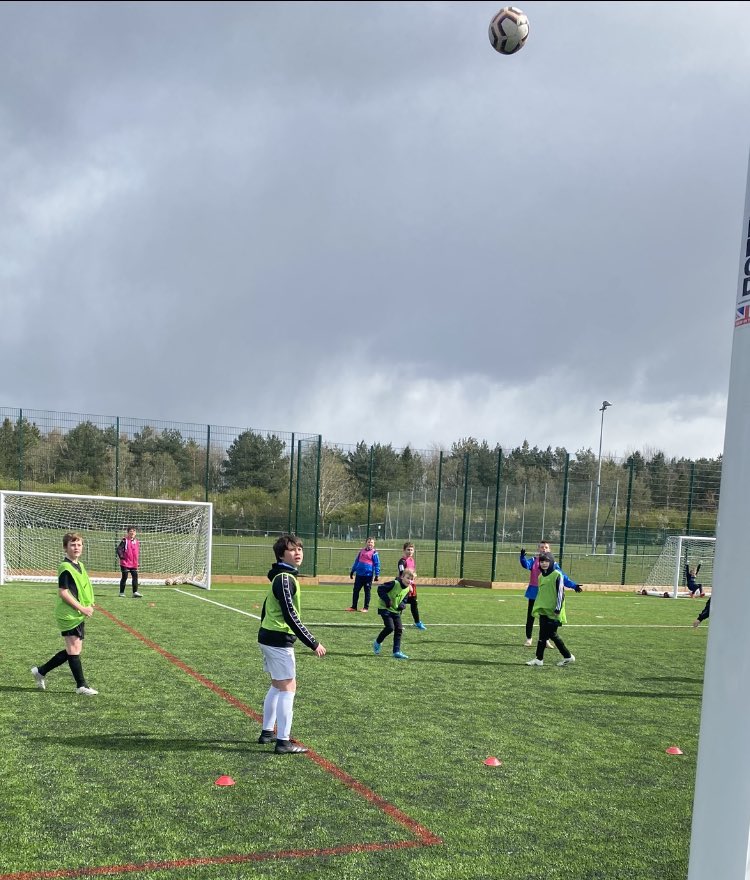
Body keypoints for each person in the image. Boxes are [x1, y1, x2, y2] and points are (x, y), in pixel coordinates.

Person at [257, 533, 326, 754]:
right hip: (278, 639)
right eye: (292, 549)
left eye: (300, 549)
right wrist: (313, 642)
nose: (298, 553)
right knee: (288, 687)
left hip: (270, 637)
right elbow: (290, 615)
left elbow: (266, 608)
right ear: (281, 554)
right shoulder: (285, 579)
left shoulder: (283, 576)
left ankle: (267, 732)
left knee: (277, 685)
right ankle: (283, 741)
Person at [31, 532, 98, 696]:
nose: (76, 547)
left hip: (77, 614)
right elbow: (64, 592)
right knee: (73, 650)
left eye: (79, 544)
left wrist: (88, 603)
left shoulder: (79, 565)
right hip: (69, 615)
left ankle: (40, 671)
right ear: (65, 548)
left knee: (74, 650)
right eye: (72, 544)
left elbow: (82, 587)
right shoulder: (66, 567)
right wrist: (83, 608)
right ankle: (81, 685)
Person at [520, 541, 581, 646]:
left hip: (547, 595)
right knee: (531, 616)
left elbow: (563, 577)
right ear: (538, 549)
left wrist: (574, 585)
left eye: (546, 547)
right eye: (542, 547)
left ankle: (546, 639)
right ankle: (529, 638)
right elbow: (526, 565)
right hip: (534, 592)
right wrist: (522, 558)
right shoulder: (534, 561)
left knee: (546, 618)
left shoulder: (553, 565)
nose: (544, 549)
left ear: (549, 550)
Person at [526, 551, 576, 667]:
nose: (544, 564)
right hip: (543, 610)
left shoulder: (557, 575)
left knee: (551, 634)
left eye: (547, 561)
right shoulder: (540, 576)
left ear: (551, 562)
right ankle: (539, 659)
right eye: (542, 561)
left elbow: (560, 593)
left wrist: (558, 609)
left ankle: (568, 656)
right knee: (543, 635)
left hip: (554, 611)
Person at [373, 568, 415, 660]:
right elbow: (380, 589)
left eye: (411, 579)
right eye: (408, 578)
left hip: (395, 610)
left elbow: (404, 599)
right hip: (385, 608)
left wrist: (402, 605)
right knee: (390, 627)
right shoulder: (394, 583)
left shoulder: (408, 589)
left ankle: (396, 651)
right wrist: (387, 600)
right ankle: (377, 642)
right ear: (402, 577)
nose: (409, 580)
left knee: (399, 629)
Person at [347, 536, 380, 613]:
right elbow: (356, 561)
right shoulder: (361, 551)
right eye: (368, 542)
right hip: (359, 575)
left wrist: (377, 575)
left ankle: (366, 607)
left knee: (367, 591)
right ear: (366, 543)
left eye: (371, 542)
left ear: (374, 544)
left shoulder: (374, 553)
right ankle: (354, 606)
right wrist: (352, 571)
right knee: (356, 590)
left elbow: (377, 564)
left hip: (368, 576)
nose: (370, 544)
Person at [398, 542, 426, 630]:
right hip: (404, 586)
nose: (410, 551)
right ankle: (397, 624)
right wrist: (408, 584)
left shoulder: (412, 560)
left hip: (412, 586)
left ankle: (417, 622)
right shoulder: (402, 561)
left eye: (411, 550)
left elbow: (412, 573)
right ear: (404, 550)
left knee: (414, 604)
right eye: (408, 549)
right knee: (400, 605)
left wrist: (414, 575)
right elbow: (402, 574)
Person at [116, 526, 142, 598]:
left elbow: (136, 553)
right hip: (125, 563)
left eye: (134, 531)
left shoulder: (136, 541)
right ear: (128, 533)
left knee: (135, 577)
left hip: (134, 564)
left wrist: (137, 562)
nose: (132, 532)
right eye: (131, 531)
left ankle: (135, 592)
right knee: (125, 577)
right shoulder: (125, 540)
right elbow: (119, 549)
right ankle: (121, 592)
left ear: (135, 533)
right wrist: (121, 556)